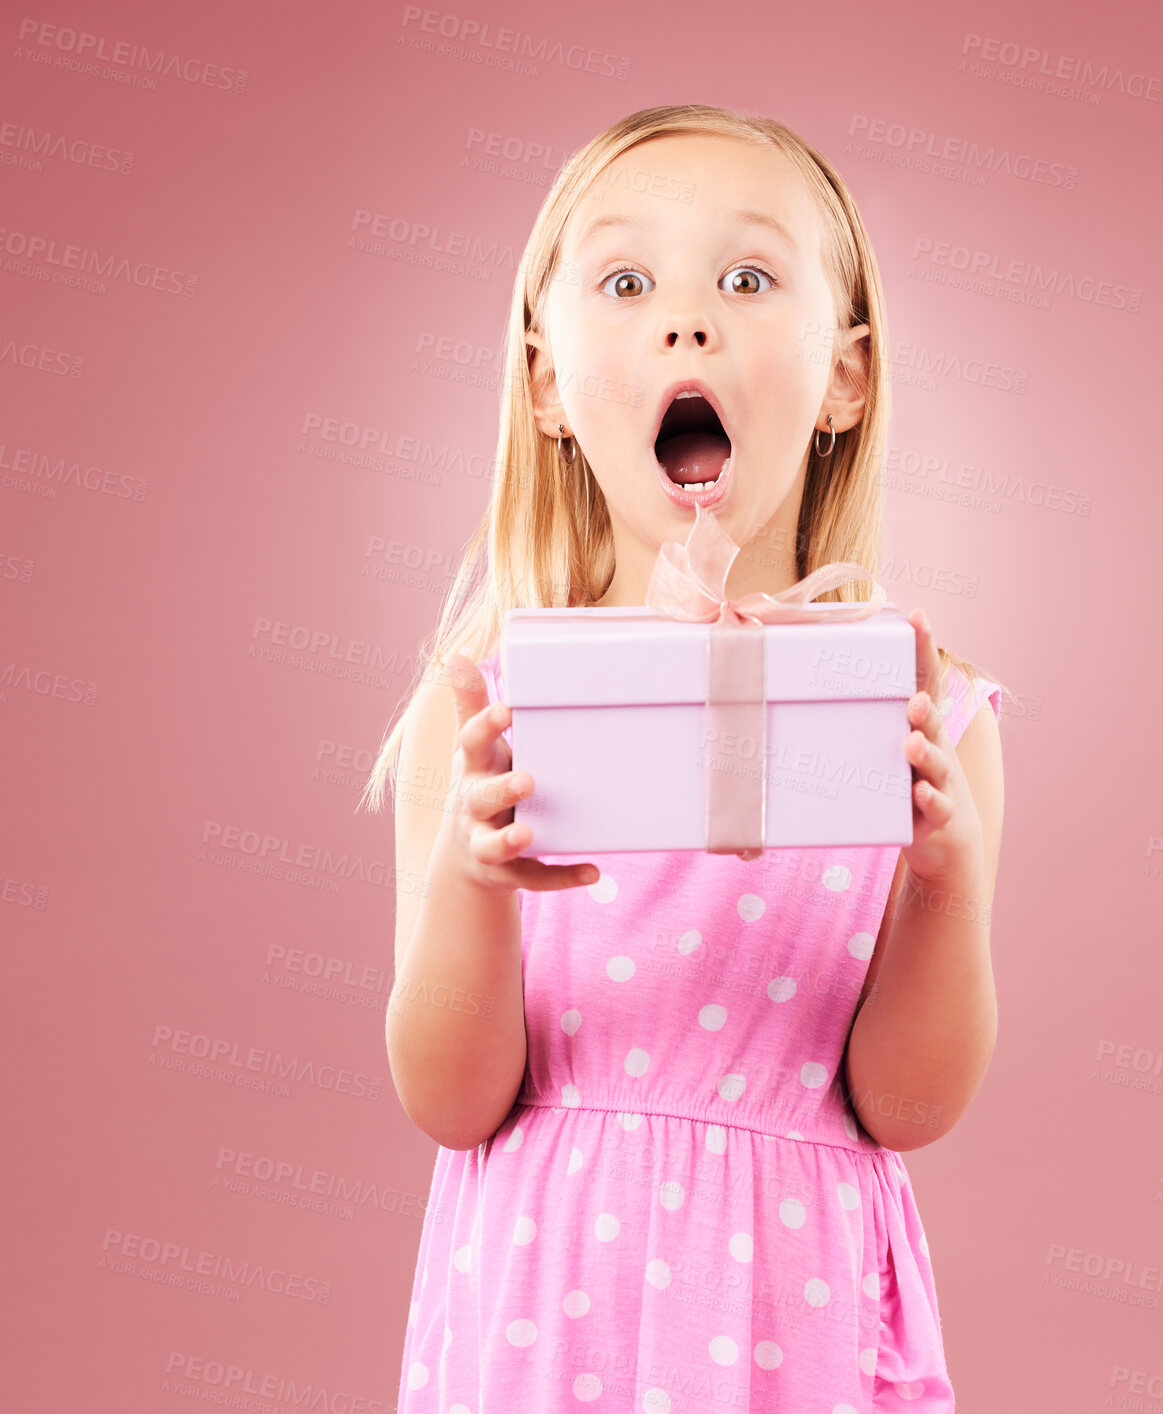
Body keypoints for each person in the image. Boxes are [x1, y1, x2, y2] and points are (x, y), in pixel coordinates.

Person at [362, 102, 1010, 1414]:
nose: (686, 319)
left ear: (846, 376)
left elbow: (907, 1102)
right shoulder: (482, 709)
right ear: (546, 380)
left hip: (796, 1319)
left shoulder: (924, 715)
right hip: (541, 1320)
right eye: (624, 279)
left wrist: (941, 879)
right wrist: (474, 884)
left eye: (749, 276)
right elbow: (449, 1095)